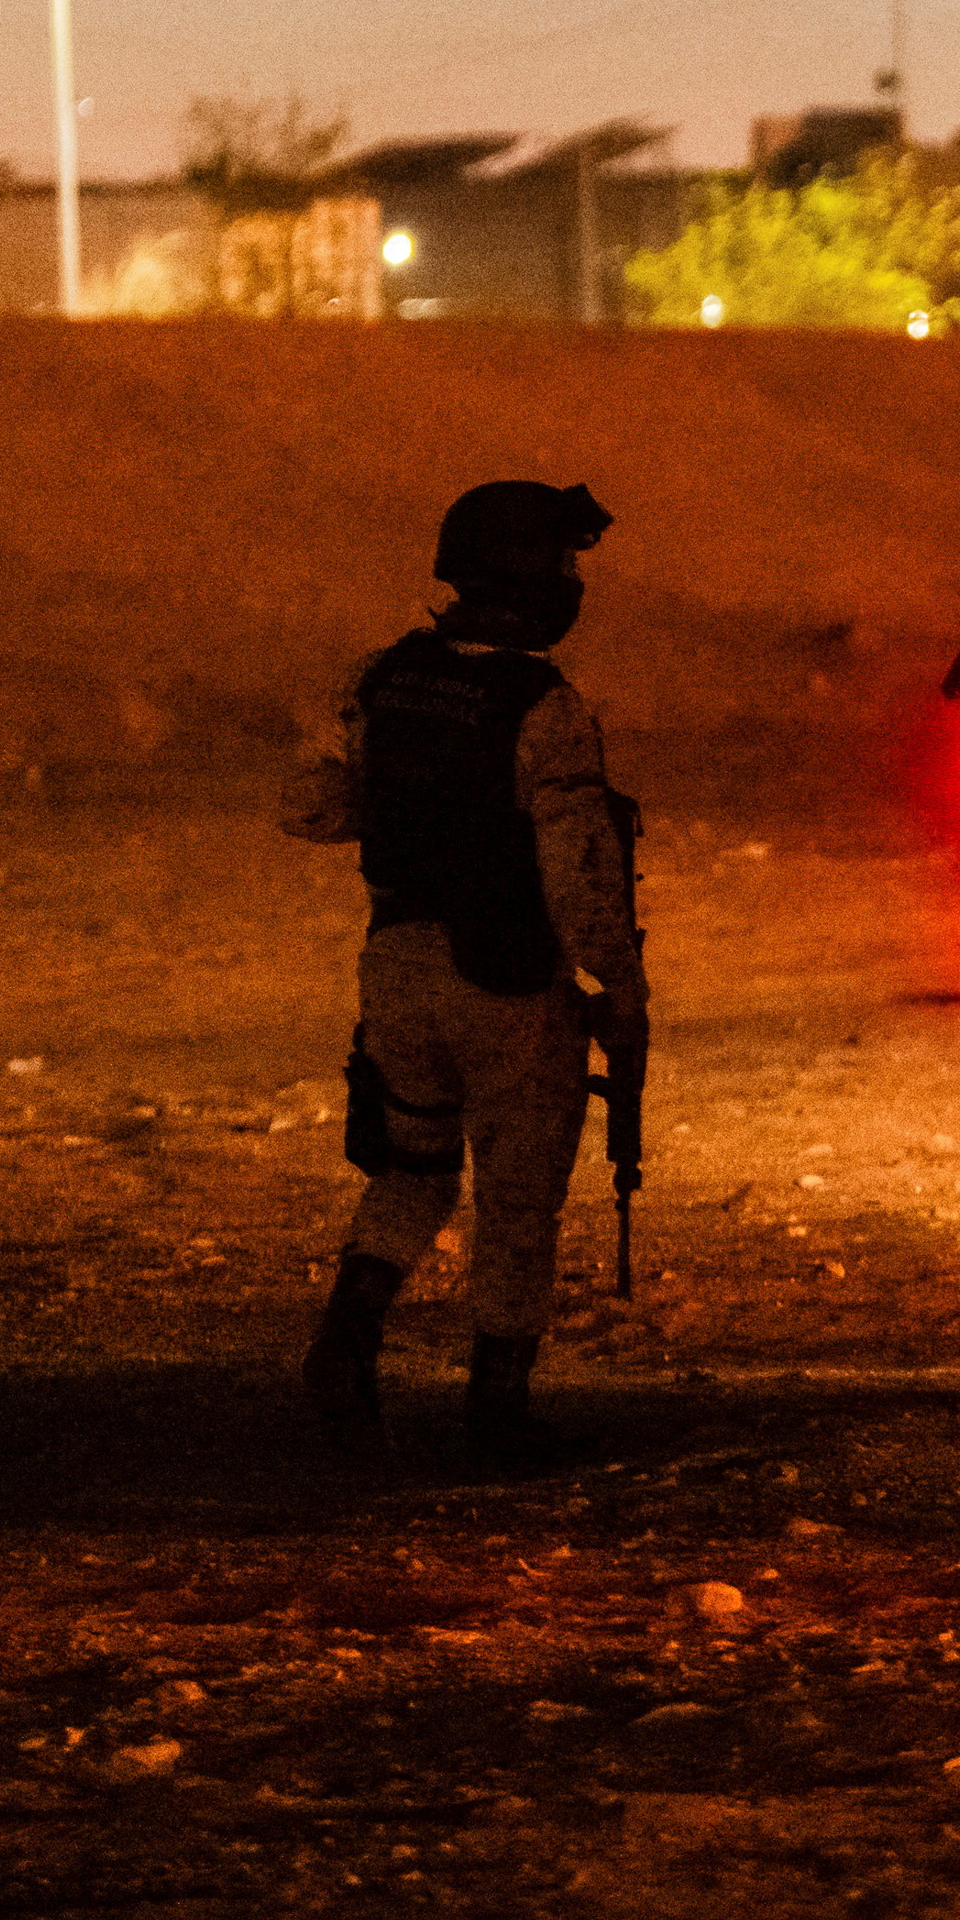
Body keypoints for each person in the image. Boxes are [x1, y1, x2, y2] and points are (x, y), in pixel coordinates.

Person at [293, 478, 640, 1458]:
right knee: (518, 1199)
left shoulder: (379, 678)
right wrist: (619, 989)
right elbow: (577, 871)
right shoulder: (544, 704)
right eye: (564, 562)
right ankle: (496, 1407)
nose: (572, 581)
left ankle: (345, 1344)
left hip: (393, 964)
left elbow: (310, 805)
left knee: (413, 1171)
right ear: (528, 573)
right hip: (507, 982)